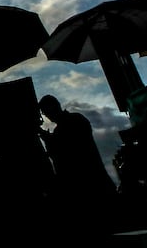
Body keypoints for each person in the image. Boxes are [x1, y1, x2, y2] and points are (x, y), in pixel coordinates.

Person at [37, 94, 117, 245]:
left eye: (46, 112)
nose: (46, 116)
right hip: (93, 186)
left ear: (54, 107)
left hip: (88, 189)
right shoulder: (73, 122)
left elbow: (68, 154)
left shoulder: (72, 122)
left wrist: (49, 141)